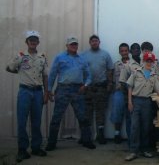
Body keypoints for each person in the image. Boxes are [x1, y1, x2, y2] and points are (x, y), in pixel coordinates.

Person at [45, 36, 95, 151]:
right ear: (67, 46)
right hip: (63, 89)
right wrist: (49, 90)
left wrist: (85, 85)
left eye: (75, 44)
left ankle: (87, 140)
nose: (74, 46)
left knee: (82, 116)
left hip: (78, 90)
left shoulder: (82, 59)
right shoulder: (59, 57)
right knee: (57, 117)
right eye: (71, 44)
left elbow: (89, 76)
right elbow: (52, 74)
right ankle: (51, 143)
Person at [6, 31, 48, 162]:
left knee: (36, 121)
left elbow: (45, 76)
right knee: (22, 122)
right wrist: (19, 71)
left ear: (38, 42)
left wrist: (46, 92)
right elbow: (9, 68)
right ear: (27, 42)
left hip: (37, 92)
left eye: (35, 40)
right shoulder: (20, 56)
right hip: (25, 91)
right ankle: (22, 150)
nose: (33, 42)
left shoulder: (42, 57)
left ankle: (35, 147)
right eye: (31, 40)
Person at [125, 52, 159, 161]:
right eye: (147, 61)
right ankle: (134, 151)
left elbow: (158, 90)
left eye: (151, 61)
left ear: (153, 63)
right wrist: (130, 102)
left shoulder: (153, 75)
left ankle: (145, 149)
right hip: (136, 101)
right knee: (134, 127)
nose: (149, 63)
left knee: (146, 127)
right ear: (143, 61)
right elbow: (129, 87)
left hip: (147, 102)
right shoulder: (136, 72)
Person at [82, 35, 114, 144]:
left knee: (101, 112)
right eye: (92, 41)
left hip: (101, 88)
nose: (94, 42)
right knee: (87, 113)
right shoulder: (84, 55)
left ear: (99, 42)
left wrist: (110, 84)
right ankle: (86, 136)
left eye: (96, 41)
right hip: (88, 88)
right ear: (89, 42)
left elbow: (110, 70)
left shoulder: (105, 54)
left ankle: (100, 135)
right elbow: (81, 71)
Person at [110, 43, 131, 144]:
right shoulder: (116, 65)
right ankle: (117, 133)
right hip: (119, 92)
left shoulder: (133, 64)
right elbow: (113, 79)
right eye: (122, 51)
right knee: (117, 112)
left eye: (126, 51)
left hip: (131, 93)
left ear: (128, 51)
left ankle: (131, 136)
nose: (124, 53)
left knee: (130, 114)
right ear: (119, 52)